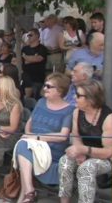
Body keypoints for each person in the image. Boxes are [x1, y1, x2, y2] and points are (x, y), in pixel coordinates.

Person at [14, 72, 74, 202]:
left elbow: (63, 136)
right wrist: (29, 135)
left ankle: (27, 193)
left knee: (23, 145)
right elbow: (29, 123)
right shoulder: (41, 102)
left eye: (48, 86)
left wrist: (36, 138)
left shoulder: (70, 110)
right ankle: (27, 193)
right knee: (23, 144)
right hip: (32, 145)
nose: (44, 88)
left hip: (51, 149)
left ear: (59, 91)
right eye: (45, 85)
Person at [58, 80, 112, 203]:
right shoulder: (77, 112)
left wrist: (83, 150)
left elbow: (108, 152)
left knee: (86, 168)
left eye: (79, 95)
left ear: (91, 99)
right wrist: (79, 152)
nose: (75, 97)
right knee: (64, 161)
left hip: (106, 158)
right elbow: (75, 135)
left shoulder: (108, 118)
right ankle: (64, 201)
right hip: (84, 151)